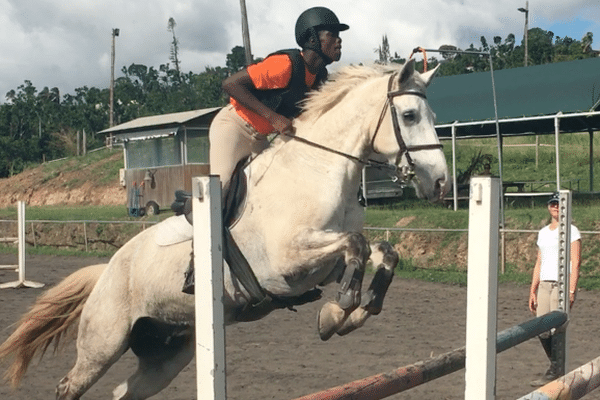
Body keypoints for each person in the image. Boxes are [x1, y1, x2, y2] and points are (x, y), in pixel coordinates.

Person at [208, 6, 349, 194]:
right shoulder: (284, 65)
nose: (339, 40)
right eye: (332, 34)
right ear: (313, 39)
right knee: (220, 189)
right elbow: (230, 85)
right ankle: (189, 209)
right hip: (233, 126)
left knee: (271, 191)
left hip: (259, 137)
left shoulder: (319, 77)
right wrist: (273, 117)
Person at [528, 192, 582, 385]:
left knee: (556, 327)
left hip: (560, 284)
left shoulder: (572, 231)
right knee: (540, 328)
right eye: (553, 204)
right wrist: (532, 289)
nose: (556, 207)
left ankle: (556, 369)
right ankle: (556, 365)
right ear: (548, 207)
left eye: (559, 204)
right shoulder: (543, 233)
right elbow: (539, 262)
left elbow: (575, 262)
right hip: (544, 284)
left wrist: (571, 290)